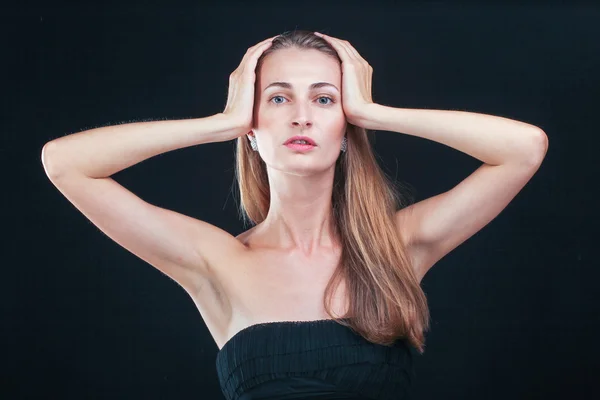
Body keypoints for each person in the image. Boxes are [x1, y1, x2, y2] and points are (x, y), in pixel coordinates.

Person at [42, 29, 548, 399]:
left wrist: (375, 114)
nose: (301, 115)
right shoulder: (215, 259)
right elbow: (65, 164)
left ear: (346, 128)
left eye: (325, 100)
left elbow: (524, 148)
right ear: (252, 126)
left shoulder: (397, 247)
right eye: (278, 98)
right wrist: (221, 122)